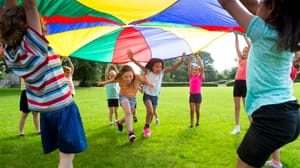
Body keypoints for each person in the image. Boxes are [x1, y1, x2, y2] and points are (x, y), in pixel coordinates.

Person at [0, 1, 87, 167]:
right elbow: (29, 5)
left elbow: (10, 10)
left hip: (45, 111)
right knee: (67, 157)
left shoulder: (10, 55)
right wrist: (30, 10)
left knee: (65, 155)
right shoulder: (35, 47)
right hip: (63, 108)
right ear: (28, 28)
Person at [217, 0, 300, 168]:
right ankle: (276, 161)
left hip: (271, 117)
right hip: (290, 115)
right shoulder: (285, 36)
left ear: (271, 8)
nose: (257, 5)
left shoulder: (261, 31)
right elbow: (256, 7)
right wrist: (261, 5)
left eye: (262, 2)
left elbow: (227, 2)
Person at [128, 49, 185, 137]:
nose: (159, 68)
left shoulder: (162, 73)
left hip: (155, 96)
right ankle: (147, 128)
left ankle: (146, 127)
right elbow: (139, 65)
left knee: (151, 113)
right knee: (150, 111)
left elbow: (173, 68)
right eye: (156, 66)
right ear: (152, 67)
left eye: (160, 66)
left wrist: (181, 61)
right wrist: (132, 59)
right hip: (147, 95)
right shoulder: (148, 71)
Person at [97, 64, 154, 142]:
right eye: (125, 77)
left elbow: (144, 80)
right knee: (128, 112)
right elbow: (112, 80)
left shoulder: (137, 77)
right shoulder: (119, 78)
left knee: (130, 113)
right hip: (123, 96)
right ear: (122, 76)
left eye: (130, 76)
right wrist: (104, 82)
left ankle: (119, 122)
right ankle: (130, 132)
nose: (128, 79)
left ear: (133, 74)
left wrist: (150, 84)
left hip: (133, 98)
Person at [265, 51, 300, 168]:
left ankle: (276, 162)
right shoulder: (293, 69)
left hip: (278, 102)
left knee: (272, 134)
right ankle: (275, 160)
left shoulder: (289, 68)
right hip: (283, 103)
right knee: (273, 134)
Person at [231, 32, 252, 134]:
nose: (244, 53)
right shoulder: (240, 60)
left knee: (246, 106)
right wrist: (235, 36)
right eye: (244, 51)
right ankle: (237, 127)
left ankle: (252, 126)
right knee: (237, 106)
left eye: (246, 51)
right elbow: (236, 48)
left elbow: (250, 46)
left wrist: (244, 35)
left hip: (245, 84)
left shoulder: (251, 59)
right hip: (237, 83)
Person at [188, 54, 204, 128]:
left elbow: (202, 67)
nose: (194, 70)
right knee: (192, 110)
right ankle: (191, 124)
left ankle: (197, 122)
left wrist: (198, 58)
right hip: (191, 95)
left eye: (196, 69)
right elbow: (188, 68)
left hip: (198, 95)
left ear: (199, 71)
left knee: (197, 111)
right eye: (193, 69)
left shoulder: (200, 77)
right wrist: (190, 61)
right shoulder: (191, 76)